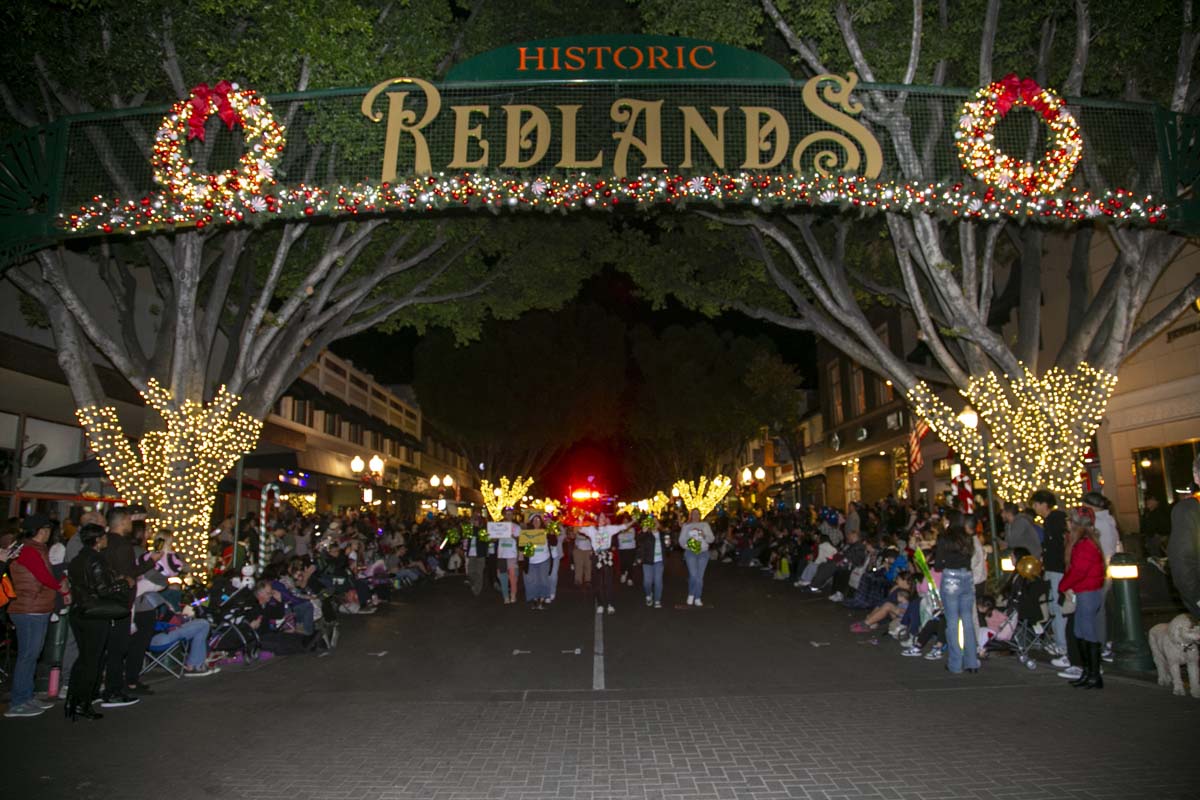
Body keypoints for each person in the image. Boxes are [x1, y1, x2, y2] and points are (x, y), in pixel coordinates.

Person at [4, 514, 70, 718]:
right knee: (28, 655)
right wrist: (62, 589)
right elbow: (43, 576)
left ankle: (26, 696)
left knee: (31, 655)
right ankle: (18, 702)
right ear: (42, 531)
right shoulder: (30, 550)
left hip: (34, 606)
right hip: (29, 607)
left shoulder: (29, 548)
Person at [66, 523, 133, 719]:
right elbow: (103, 590)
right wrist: (123, 583)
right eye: (103, 537)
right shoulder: (96, 560)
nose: (106, 540)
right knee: (92, 660)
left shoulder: (78, 559)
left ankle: (74, 699)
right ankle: (83, 703)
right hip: (95, 614)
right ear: (97, 540)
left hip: (79, 611)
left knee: (84, 658)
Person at [1059, 507, 1107, 689]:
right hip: (1084, 591)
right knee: (1080, 631)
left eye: (1070, 520)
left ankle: (1094, 674)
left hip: (1088, 591)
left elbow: (1078, 570)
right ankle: (1088, 672)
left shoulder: (1085, 544)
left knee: (1087, 632)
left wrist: (1063, 585)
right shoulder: (1084, 542)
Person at [934, 524, 979, 674]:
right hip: (967, 577)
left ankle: (955, 663)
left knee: (952, 622)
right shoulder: (967, 539)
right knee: (967, 620)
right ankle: (971, 661)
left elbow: (938, 565)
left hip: (951, 579)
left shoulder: (944, 540)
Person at [1032, 489, 1068, 657]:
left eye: (1036, 504)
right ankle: (1060, 641)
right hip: (1055, 568)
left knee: (1057, 606)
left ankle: (1062, 644)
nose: (1034, 507)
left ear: (1043, 504)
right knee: (1055, 605)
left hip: (1056, 569)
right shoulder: (1054, 520)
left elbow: (1056, 547)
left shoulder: (1054, 521)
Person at [577, 513, 632, 614]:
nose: (603, 518)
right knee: (597, 582)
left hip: (606, 556)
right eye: (601, 517)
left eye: (604, 517)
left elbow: (623, 526)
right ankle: (601, 604)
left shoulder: (609, 529)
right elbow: (580, 529)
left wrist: (634, 521)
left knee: (608, 581)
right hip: (596, 557)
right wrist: (580, 520)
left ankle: (610, 604)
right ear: (597, 519)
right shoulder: (591, 530)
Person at [1167, 454, 1200, 616]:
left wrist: (1196, 600)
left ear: (1196, 477)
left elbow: (1182, 561)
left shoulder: (1189, 511)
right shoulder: (1190, 511)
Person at [679, 508, 715, 607]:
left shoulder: (705, 525)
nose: (695, 516)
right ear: (691, 515)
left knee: (699, 577)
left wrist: (704, 535)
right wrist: (688, 545)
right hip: (690, 552)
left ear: (700, 515)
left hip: (703, 552)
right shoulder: (686, 526)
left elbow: (711, 539)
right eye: (694, 514)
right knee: (693, 575)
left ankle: (697, 597)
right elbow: (681, 540)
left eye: (697, 514)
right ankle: (691, 594)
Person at [520, 514, 553, 610]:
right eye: (534, 520)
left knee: (543, 580)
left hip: (544, 559)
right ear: (531, 522)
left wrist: (551, 530)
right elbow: (522, 547)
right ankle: (534, 600)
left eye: (538, 520)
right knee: (532, 581)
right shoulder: (527, 533)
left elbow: (554, 542)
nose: (536, 522)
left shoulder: (546, 532)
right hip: (531, 560)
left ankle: (542, 600)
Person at [637, 517, 670, 608]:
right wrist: (643, 531)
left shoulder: (663, 534)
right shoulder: (646, 534)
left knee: (658, 581)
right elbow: (638, 540)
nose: (654, 523)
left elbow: (668, 548)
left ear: (659, 524)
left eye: (656, 522)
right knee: (647, 582)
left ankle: (657, 600)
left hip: (659, 561)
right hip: (647, 561)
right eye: (652, 522)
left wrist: (668, 545)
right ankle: (648, 595)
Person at [493, 509, 520, 605]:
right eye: (507, 514)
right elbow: (493, 539)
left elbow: (520, 540)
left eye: (510, 514)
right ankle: (505, 597)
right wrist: (493, 537)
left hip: (512, 555)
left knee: (513, 577)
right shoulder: (499, 526)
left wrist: (513, 536)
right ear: (504, 515)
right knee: (502, 577)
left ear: (513, 515)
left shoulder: (516, 527)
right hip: (501, 555)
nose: (508, 516)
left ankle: (513, 595)